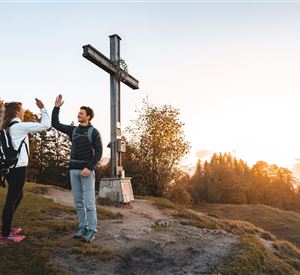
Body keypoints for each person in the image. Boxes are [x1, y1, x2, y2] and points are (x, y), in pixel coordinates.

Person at [52, 95, 102, 243]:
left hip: (86, 171)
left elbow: (98, 152)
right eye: (78, 113)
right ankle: (83, 226)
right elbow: (55, 124)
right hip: (73, 170)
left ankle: (92, 230)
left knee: (89, 202)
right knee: (78, 202)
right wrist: (57, 107)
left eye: (81, 113)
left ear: (88, 117)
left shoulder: (94, 132)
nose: (78, 115)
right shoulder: (73, 130)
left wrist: (89, 167)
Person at [1, 99, 50, 242]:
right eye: (22, 109)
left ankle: (6, 227)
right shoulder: (19, 127)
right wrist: (42, 108)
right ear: (17, 111)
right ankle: (5, 234)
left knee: (18, 196)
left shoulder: (7, 127)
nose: (24, 111)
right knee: (11, 200)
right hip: (18, 169)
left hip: (10, 169)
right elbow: (46, 125)